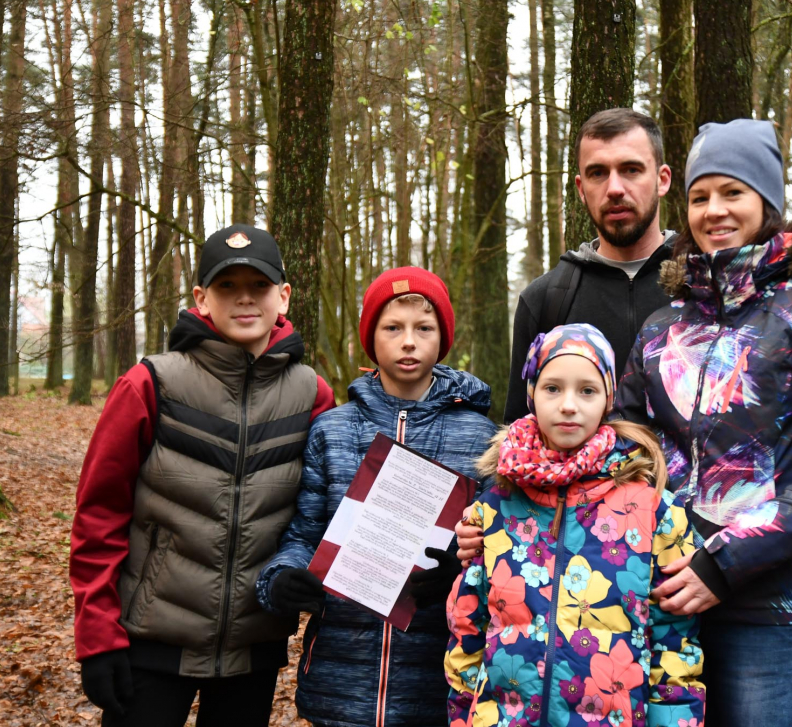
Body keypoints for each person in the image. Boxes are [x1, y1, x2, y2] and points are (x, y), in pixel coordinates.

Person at [614, 119, 792, 727]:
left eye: (732, 192)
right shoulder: (665, 327)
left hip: (770, 609)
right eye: (701, 195)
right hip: (662, 601)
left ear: (767, 201)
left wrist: (723, 563)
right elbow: (622, 447)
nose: (714, 210)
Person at [69, 223, 337, 727]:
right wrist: (97, 639)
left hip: (253, 652)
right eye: (226, 287)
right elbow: (98, 517)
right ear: (201, 298)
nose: (244, 300)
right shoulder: (150, 383)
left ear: (283, 296)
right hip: (149, 645)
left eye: (258, 286)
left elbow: (323, 509)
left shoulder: (312, 394)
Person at [255, 267, 499, 727]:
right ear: (371, 339)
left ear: (442, 337)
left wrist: (461, 575)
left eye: (423, 328)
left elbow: (503, 552)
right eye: (393, 328)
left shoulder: (480, 438)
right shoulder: (332, 430)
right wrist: (282, 576)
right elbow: (304, 531)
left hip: (438, 679)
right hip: (339, 678)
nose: (409, 342)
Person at [444, 323, 705, 727]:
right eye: (553, 388)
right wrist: (464, 715)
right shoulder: (496, 505)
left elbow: (675, 636)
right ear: (531, 395)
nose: (569, 404)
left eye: (587, 390)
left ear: (607, 399)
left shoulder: (653, 510)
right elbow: (467, 622)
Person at [504, 108, 676, 424]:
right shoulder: (545, 301)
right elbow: (518, 438)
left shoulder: (703, 285)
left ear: (662, 180)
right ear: (582, 190)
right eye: (598, 173)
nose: (614, 188)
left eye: (631, 170)